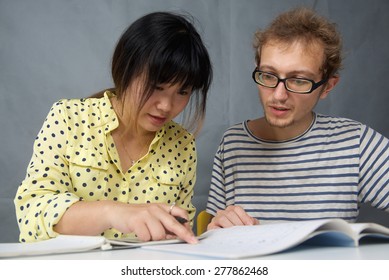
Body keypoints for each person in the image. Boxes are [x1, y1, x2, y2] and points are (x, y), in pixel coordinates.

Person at [14, 11, 212, 243]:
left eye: (183, 92)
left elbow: (180, 234)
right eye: (157, 86)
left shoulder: (182, 145)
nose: (166, 105)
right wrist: (113, 212)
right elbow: (33, 213)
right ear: (125, 69)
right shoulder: (68, 118)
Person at [206, 7, 389, 230]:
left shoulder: (355, 143)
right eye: (268, 75)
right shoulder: (232, 143)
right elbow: (212, 236)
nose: (278, 95)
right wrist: (214, 230)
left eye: (299, 80)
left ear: (327, 87)